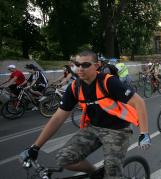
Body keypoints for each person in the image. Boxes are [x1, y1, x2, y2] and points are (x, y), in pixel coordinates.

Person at [20, 50, 150, 179]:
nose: (80, 68)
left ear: (97, 66)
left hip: (117, 130)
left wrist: (144, 133)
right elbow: (58, 118)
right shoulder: (74, 87)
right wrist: (35, 147)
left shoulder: (109, 82)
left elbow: (139, 102)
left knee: (112, 172)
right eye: (77, 64)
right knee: (64, 158)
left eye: (85, 65)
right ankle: (95, 174)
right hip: (94, 128)